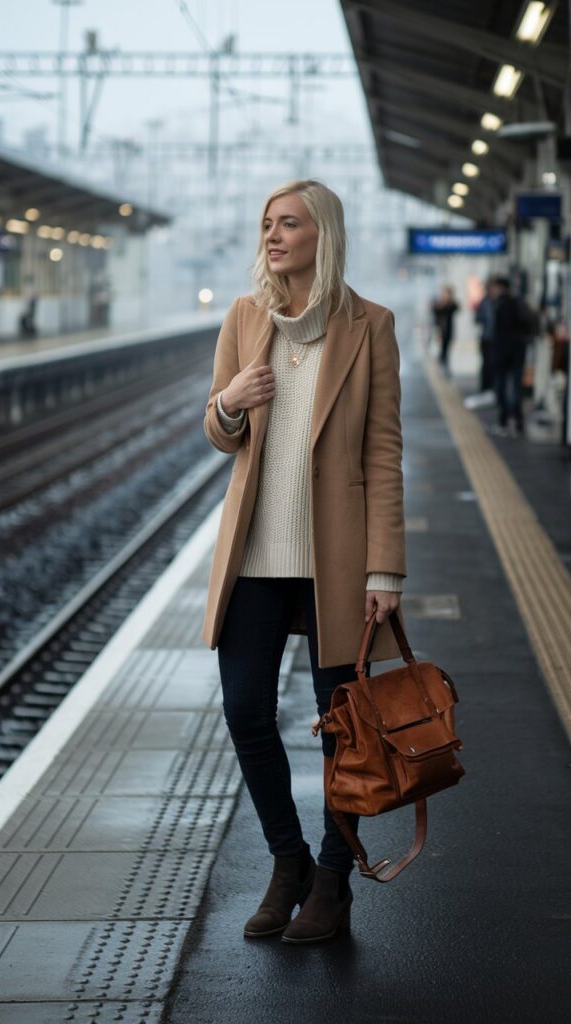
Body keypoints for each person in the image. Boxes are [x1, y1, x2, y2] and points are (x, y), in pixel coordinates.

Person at [201, 179, 406, 944]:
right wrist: (230, 401)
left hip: (339, 561)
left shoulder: (369, 326)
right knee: (245, 707)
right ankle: (286, 862)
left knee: (342, 730)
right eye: (266, 223)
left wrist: (383, 571)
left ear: (324, 233)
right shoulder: (246, 318)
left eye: (288, 223)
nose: (273, 235)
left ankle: (332, 878)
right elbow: (219, 432)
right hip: (255, 553)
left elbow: (383, 452)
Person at [488, 276, 532, 436]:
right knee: (516, 387)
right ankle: (518, 423)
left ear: (501, 288)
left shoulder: (501, 305)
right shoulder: (518, 303)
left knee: (502, 388)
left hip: (503, 354)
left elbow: (500, 333)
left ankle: (504, 421)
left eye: (494, 287)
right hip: (518, 351)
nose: (491, 291)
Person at [431, 285, 459, 373]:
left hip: (449, 330)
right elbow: (435, 310)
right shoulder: (439, 303)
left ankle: (444, 364)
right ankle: (441, 364)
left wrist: (448, 302)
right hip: (440, 330)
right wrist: (443, 303)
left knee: (446, 349)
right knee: (440, 349)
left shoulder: (451, 304)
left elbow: (456, 307)